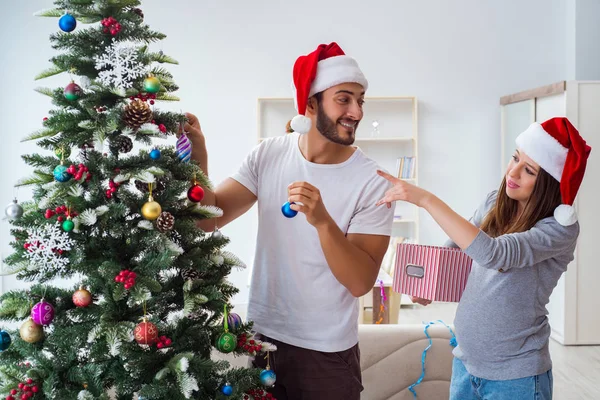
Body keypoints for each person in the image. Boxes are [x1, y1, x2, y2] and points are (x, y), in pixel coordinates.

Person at [183, 42, 394, 399]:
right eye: (344, 99)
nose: (356, 111)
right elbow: (208, 219)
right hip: (263, 342)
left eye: (360, 100)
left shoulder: (374, 181)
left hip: (325, 354)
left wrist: (323, 221)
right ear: (311, 104)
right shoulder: (269, 154)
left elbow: (360, 281)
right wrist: (198, 156)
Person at [376, 117, 591, 400]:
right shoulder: (495, 202)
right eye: (515, 158)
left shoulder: (558, 229)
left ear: (549, 183)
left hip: (517, 377)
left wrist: (426, 200)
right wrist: (431, 283)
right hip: (466, 364)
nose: (512, 172)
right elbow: (459, 245)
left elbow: (493, 253)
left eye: (528, 170)